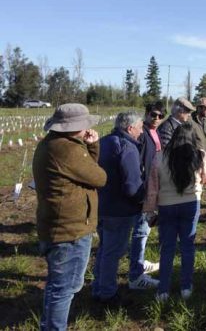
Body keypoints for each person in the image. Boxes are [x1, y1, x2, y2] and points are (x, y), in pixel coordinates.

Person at [33, 104, 106, 330]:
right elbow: (99, 177)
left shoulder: (50, 144)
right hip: (70, 232)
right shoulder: (68, 150)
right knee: (64, 288)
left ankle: (49, 325)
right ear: (77, 127)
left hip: (55, 226)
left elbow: (86, 172)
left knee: (56, 285)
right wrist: (92, 146)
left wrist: (89, 147)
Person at [144, 123, 206, 301]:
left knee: (167, 248)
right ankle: (186, 287)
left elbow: (153, 188)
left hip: (166, 207)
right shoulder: (199, 155)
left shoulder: (159, 157)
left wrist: (149, 211)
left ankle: (163, 290)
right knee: (187, 246)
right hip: (191, 205)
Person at [92, 112, 156, 303]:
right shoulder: (128, 148)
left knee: (104, 250)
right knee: (113, 253)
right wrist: (143, 201)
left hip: (102, 205)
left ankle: (98, 288)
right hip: (119, 211)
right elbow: (131, 186)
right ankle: (108, 294)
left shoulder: (103, 142)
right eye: (139, 128)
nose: (140, 132)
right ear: (130, 128)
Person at [128, 102, 165, 290]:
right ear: (146, 113)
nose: (157, 118)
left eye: (160, 116)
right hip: (145, 188)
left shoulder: (154, 132)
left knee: (145, 230)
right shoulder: (142, 134)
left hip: (152, 186)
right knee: (141, 231)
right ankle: (136, 276)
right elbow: (139, 164)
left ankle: (140, 263)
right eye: (153, 114)